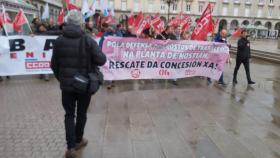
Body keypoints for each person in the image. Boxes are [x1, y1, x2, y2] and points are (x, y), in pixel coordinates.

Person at [51, 10, 106, 158]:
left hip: (67, 86)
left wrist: (62, 79)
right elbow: (102, 60)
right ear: (81, 23)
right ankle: (78, 140)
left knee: (69, 115)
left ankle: (70, 148)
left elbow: (53, 65)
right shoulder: (88, 40)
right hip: (85, 85)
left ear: (68, 22)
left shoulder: (59, 40)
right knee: (81, 113)